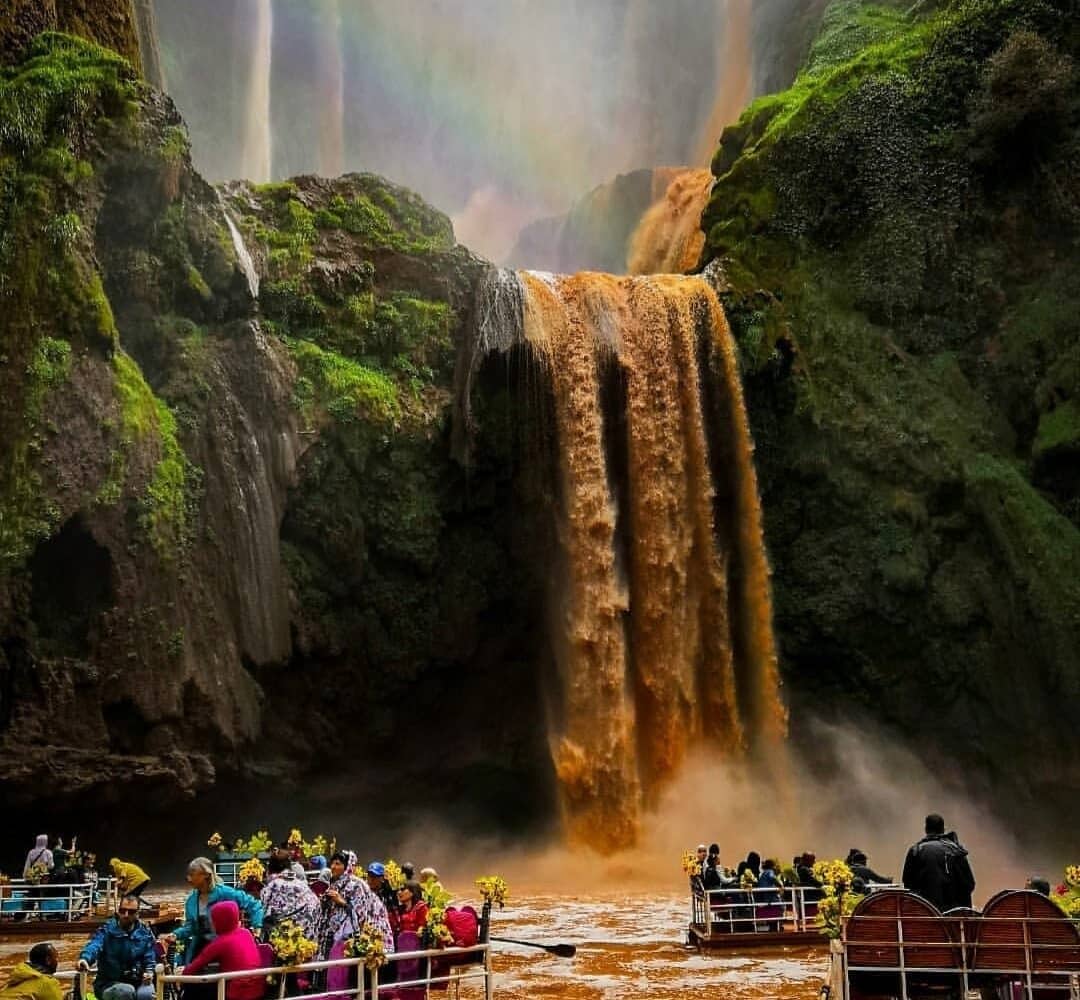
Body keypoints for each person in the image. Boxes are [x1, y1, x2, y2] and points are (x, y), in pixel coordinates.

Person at [160, 857, 264, 964]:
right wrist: (175, 934)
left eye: (192, 874)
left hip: (226, 948)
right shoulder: (191, 901)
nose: (188, 879)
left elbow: (255, 905)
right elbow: (190, 927)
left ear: (206, 875)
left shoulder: (226, 893)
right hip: (202, 949)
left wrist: (256, 928)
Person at [179, 901, 264, 1000]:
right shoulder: (246, 933)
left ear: (218, 921)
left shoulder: (221, 942)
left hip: (237, 993)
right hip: (258, 989)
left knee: (193, 989)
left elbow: (195, 966)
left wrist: (181, 976)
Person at [78, 895, 156, 1000]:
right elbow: (94, 945)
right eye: (122, 911)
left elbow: (150, 957)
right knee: (125, 991)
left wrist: (149, 972)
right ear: (118, 911)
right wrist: (85, 958)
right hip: (108, 983)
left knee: (146, 995)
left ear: (138, 914)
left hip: (138, 982)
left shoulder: (145, 933)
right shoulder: (106, 930)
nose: (126, 915)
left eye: (131, 912)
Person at [901, 813, 976, 911]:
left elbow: (907, 883)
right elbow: (969, 884)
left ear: (926, 829)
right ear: (943, 829)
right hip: (953, 915)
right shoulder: (955, 850)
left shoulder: (916, 850)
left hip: (924, 912)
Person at [260, 855, 319, 938]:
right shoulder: (303, 886)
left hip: (279, 940)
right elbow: (315, 905)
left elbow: (262, 912)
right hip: (304, 939)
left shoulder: (271, 886)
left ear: (270, 869)